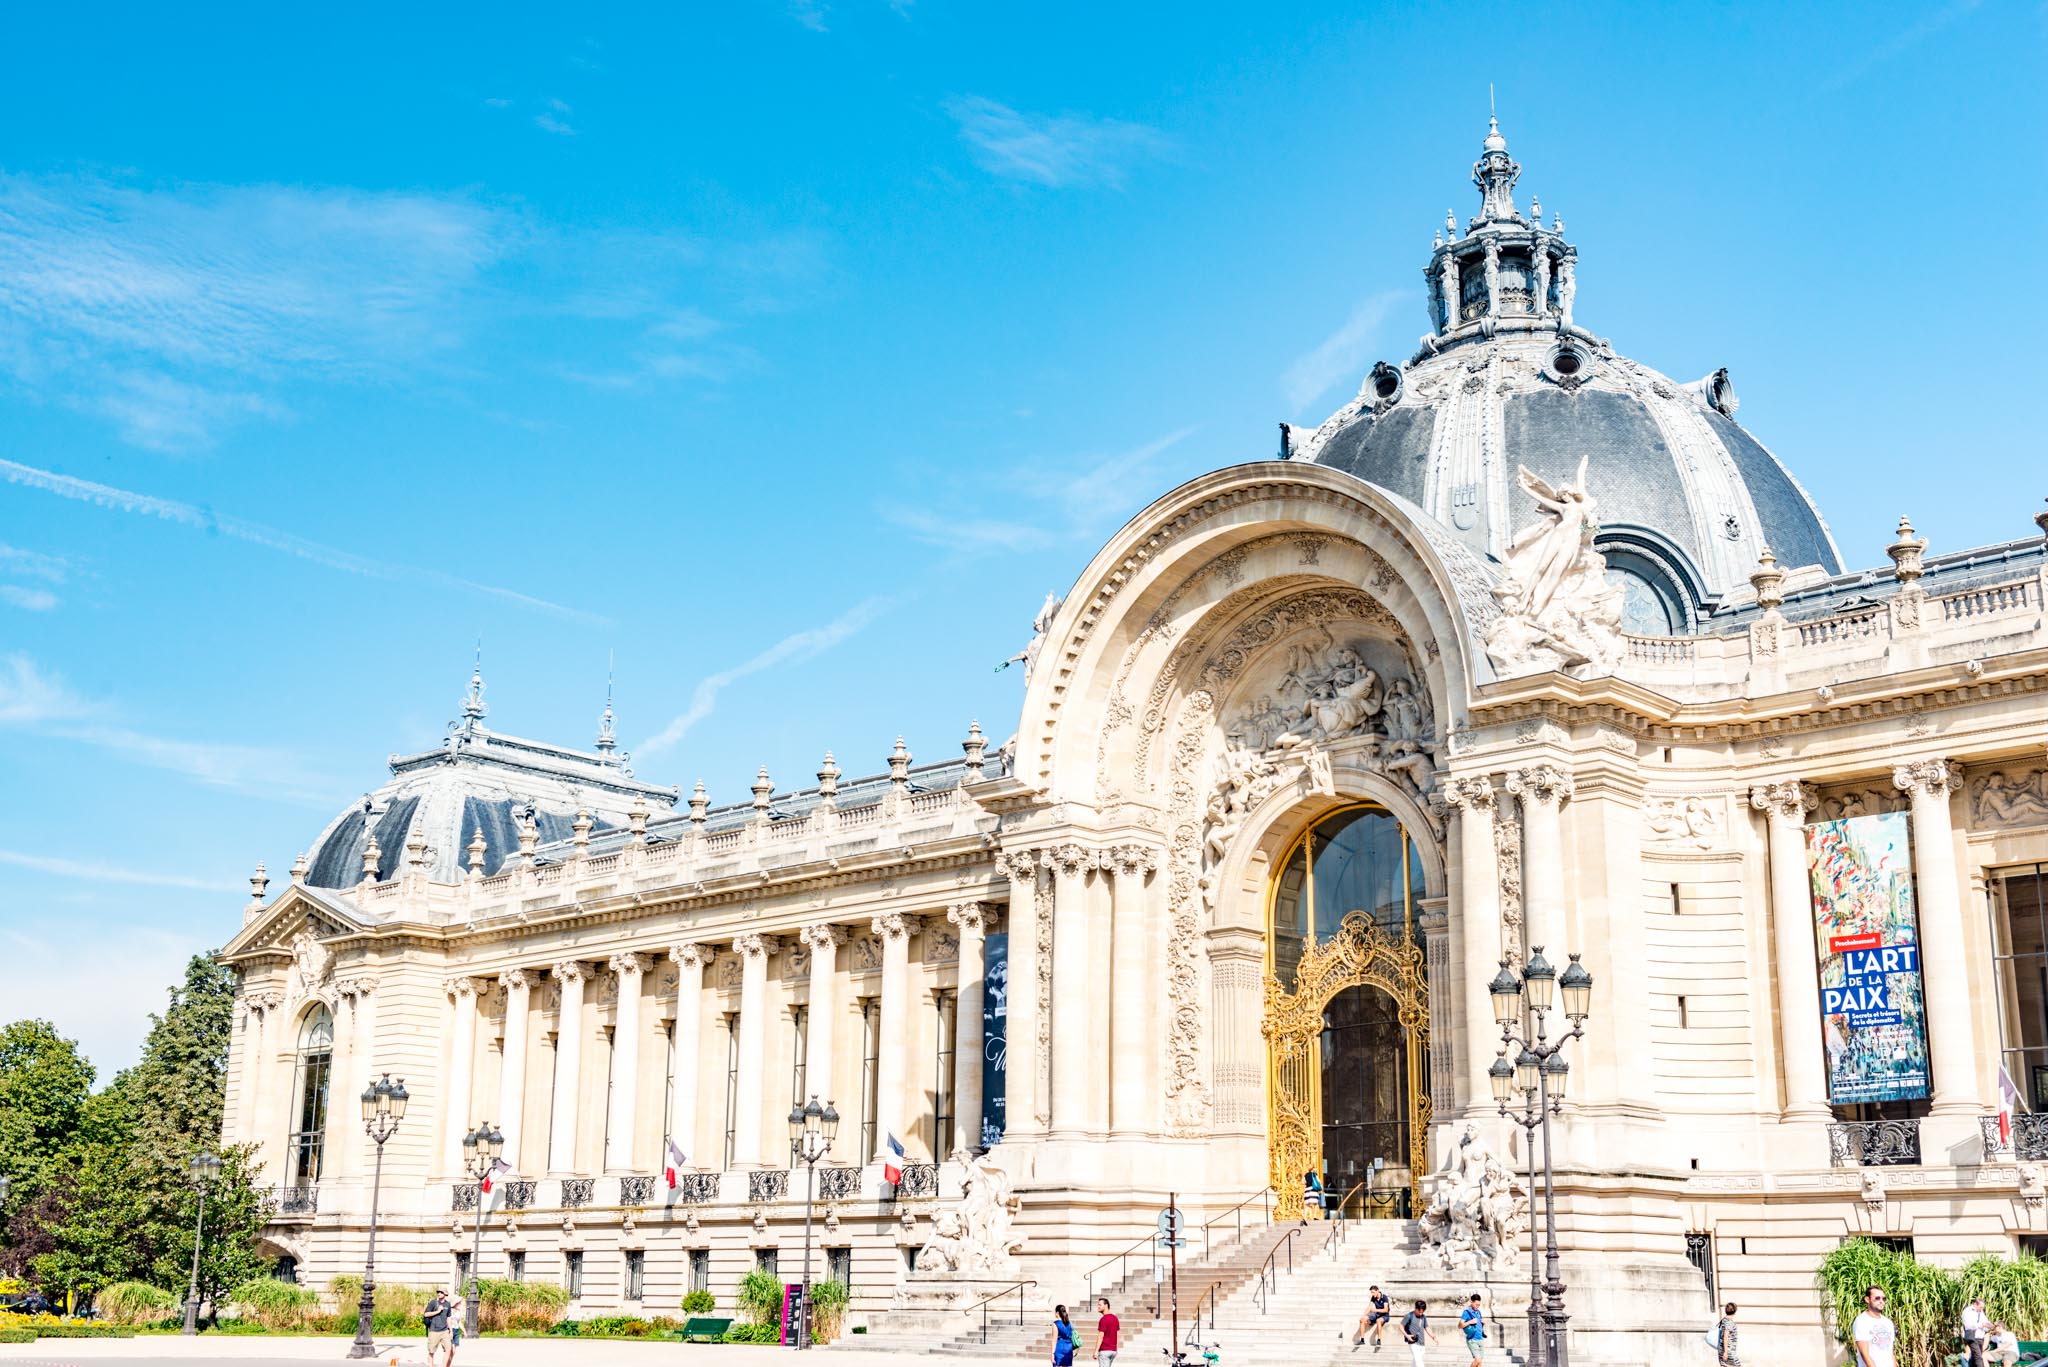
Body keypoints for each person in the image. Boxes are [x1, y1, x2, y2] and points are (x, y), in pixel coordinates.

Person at [1852, 1285, 1897, 1367]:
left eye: (1884, 1299)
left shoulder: (1888, 1323)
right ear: (1867, 1299)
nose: (1881, 1301)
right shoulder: (1862, 1321)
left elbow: (1890, 1352)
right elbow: (1864, 1354)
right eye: (1877, 1298)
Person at [1400, 1299, 1439, 1367]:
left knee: (1416, 1361)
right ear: (1416, 1308)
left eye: (1422, 1312)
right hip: (1413, 1342)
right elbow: (1400, 1326)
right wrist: (1407, 1336)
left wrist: (1433, 1337)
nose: (1421, 1313)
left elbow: (1427, 1327)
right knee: (1419, 1362)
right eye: (1419, 1311)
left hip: (1422, 1342)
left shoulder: (1423, 1317)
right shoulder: (1409, 1316)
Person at [422, 1287, 453, 1367]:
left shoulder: (447, 1304)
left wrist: (451, 1331)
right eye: (438, 1292)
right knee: (431, 1352)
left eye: (441, 1292)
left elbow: (448, 1318)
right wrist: (438, 1311)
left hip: (444, 1331)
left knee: (449, 1349)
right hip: (434, 1330)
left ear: (445, 1294)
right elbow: (426, 1314)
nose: (439, 1293)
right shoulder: (433, 1302)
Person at [1353, 1285, 1392, 1349]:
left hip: (1385, 1315)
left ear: (1378, 1291)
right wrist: (1363, 1315)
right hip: (1377, 1314)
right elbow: (1369, 1307)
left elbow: (1386, 1310)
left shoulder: (1384, 1297)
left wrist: (1375, 1310)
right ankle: (1362, 1340)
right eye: (1371, 1292)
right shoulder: (1373, 1297)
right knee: (1362, 1320)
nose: (1372, 1294)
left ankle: (1379, 1340)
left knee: (1378, 1320)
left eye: (1373, 1292)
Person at [1459, 1294, 1486, 1367]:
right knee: (1478, 1360)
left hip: (1480, 1339)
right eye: (1476, 1304)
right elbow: (1460, 1325)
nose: (1477, 1306)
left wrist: (1483, 1323)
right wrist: (1470, 1322)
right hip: (1472, 1340)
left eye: (1479, 1305)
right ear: (1471, 1302)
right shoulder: (1466, 1312)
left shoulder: (1478, 1312)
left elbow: (1478, 1325)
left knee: (1479, 1363)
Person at [1963, 1295, 1990, 1367]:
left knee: (1976, 1358)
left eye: (1982, 1308)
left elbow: (1985, 1321)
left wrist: (1990, 1325)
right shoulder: (1968, 1311)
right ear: (1975, 1304)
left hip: (1980, 1338)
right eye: (1980, 1307)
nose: (1981, 1309)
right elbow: (1968, 1326)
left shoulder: (1981, 1312)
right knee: (1978, 1358)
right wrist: (1981, 1325)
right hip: (1972, 1337)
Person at [1094, 1296, 1119, 1366]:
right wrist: (1116, 1348)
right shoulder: (1115, 1318)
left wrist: (1096, 1351)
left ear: (1106, 1305)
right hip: (1113, 1351)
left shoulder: (1103, 1319)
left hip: (1105, 1351)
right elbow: (1117, 1334)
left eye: (1100, 1305)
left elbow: (1100, 1336)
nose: (1098, 1307)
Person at [1713, 1302, 1740, 1366]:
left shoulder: (1724, 1320)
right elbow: (1725, 1336)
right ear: (1734, 1311)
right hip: (1728, 1350)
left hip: (1722, 1349)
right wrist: (1726, 1352)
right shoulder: (1729, 1322)